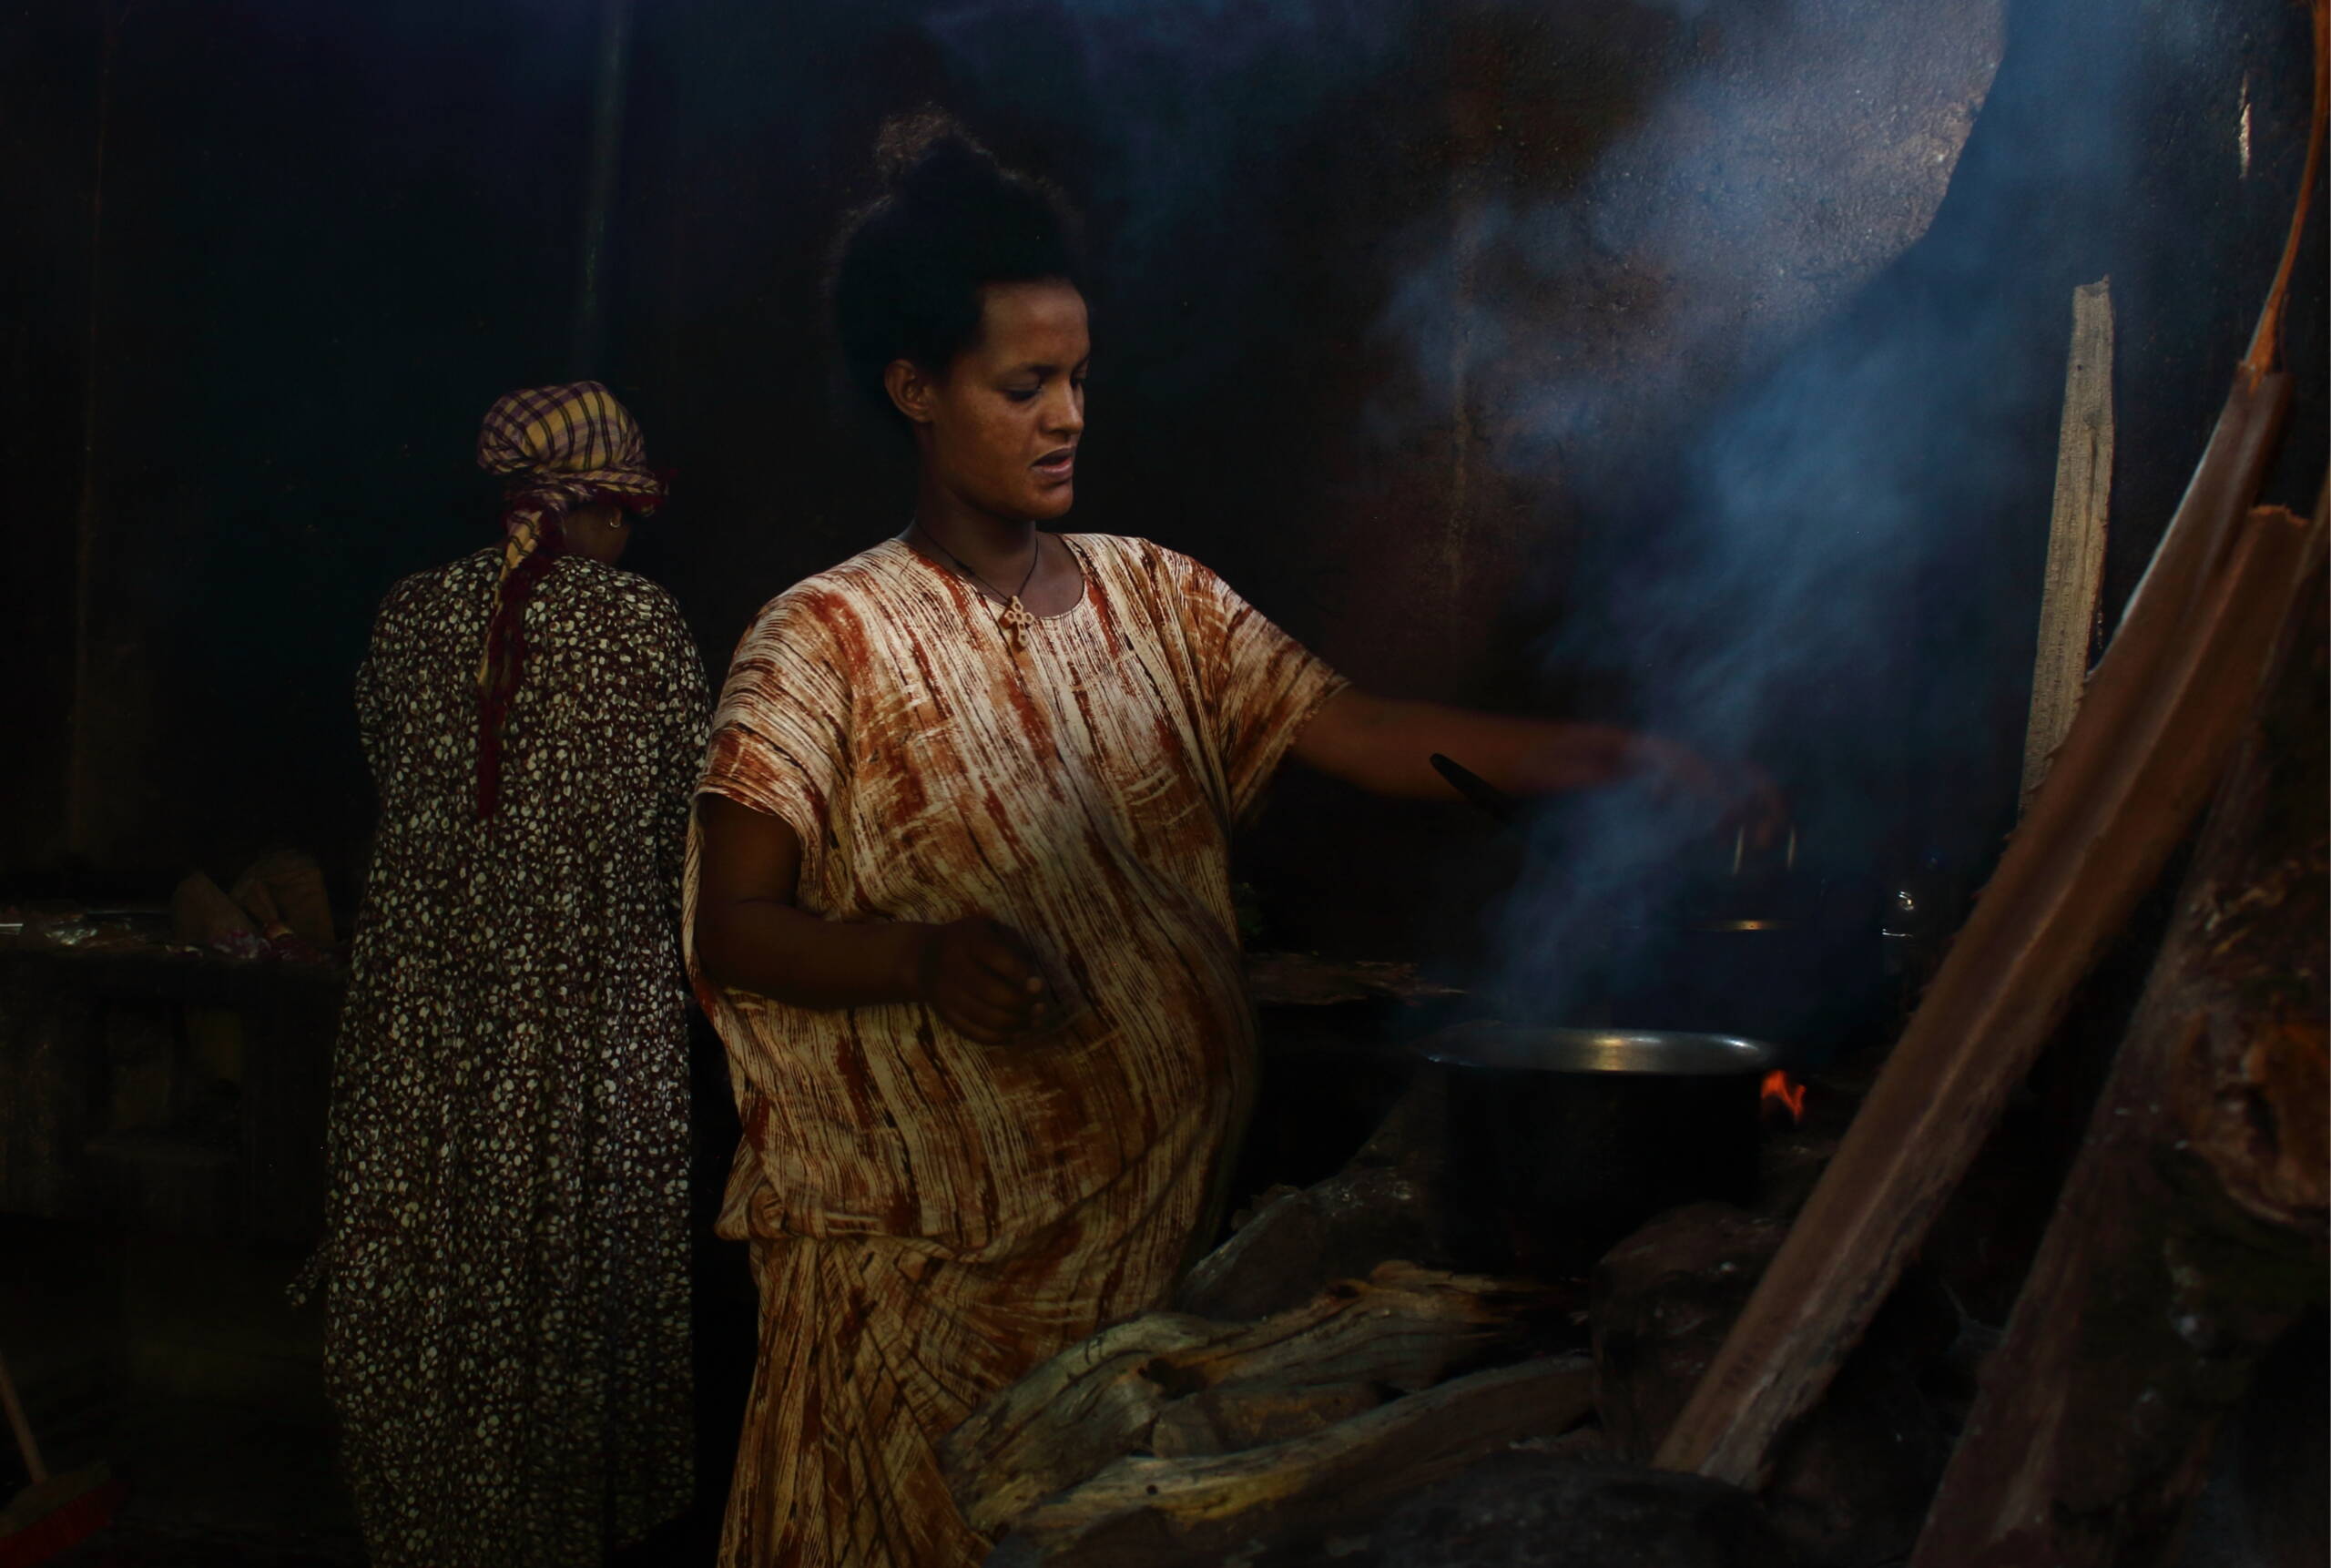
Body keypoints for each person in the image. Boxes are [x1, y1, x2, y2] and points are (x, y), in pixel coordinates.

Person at [688, 120, 1772, 1567]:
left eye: (1078, 377)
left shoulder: (1158, 601)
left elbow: (1367, 729)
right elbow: (734, 925)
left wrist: (1633, 761)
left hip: (1145, 1283)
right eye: (1025, 386)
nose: (1070, 414)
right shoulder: (823, 639)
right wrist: (919, 957)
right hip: (915, 1306)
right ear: (914, 390)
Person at [303, 382, 707, 1566]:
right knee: (565, 1266)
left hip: (425, 1011)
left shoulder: (407, 615)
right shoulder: (643, 625)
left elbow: (389, 760)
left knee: (432, 1258)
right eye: (621, 512)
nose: (628, 536)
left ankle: (426, 1526)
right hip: (586, 1014)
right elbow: (689, 807)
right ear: (580, 507)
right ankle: (557, 1530)